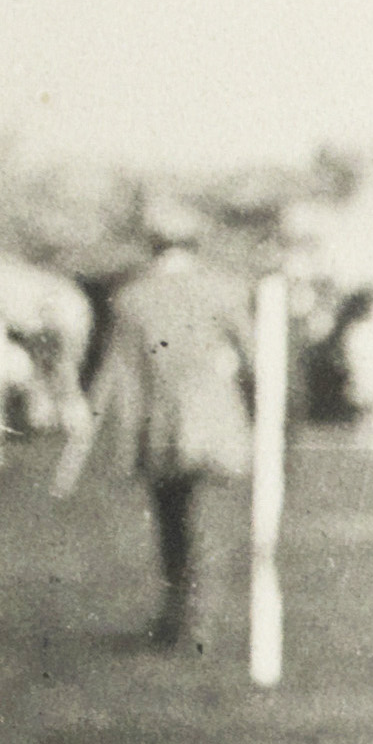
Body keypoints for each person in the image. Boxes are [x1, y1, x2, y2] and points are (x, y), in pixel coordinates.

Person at [86, 200, 253, 651]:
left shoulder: (131, 298)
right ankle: (199, 621)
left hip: (158, 425)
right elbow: (254, 356)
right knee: (209, 524)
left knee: (171, 523)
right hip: (216, 423)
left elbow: (120, 375)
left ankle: (175, 615)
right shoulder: (225, 289)